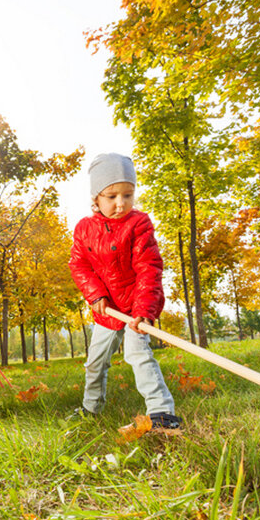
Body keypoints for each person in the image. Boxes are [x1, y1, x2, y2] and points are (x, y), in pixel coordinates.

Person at [68, 153, 181, 429]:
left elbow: (148, 268)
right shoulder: (84, 229)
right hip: (107, 311)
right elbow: (79, 265)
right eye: (111, 196)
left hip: (134, 308)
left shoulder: (139, 224)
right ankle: (90, 408)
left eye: (128, 195)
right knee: (95, 363)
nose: (121, 204)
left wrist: (143, 311)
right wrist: (95, 295)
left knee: (138, 356)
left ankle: (162, 413)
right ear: (96, 198)